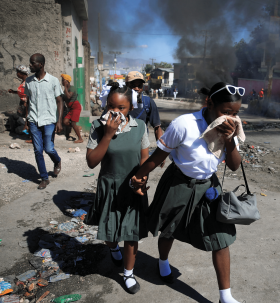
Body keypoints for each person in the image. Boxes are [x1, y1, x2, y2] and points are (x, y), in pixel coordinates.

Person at [131, 82, 245, 303]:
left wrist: (230, 140)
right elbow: (159, 156)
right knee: (169, 229)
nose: (230, 118)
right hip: (178, 183)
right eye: (225, 112)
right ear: (209, 103)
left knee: (221, 238)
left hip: (208, 188)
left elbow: (234, 165)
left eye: (235, 113)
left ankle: (226, 297)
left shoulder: (229, 130)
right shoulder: (185, 124)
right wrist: (138, 176)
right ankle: (162, 261)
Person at [84, 82, 150, 294]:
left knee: (131, 234)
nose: (115, 112)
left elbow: (145, 159)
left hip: (132, 187)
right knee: (111, 230)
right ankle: (112, 247)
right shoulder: (97, 126)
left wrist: (142, 180)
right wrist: (107, 135)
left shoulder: (140, 126)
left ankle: (128, 274)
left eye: (121, 108)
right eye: (111, 106)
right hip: (109, 185)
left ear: (130, 107)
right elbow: (92, 162)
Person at [24, 53, 63, 190]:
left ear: (41, 64)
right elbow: (28, 101)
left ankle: (57, 161)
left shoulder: (53, 81)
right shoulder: (28, 82)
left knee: (49, 148)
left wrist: (59, 121)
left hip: (49, 120)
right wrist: (27, 119)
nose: (30, 65)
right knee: (38, 150)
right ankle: (44, 178)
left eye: (32, 63)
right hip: (34, 120)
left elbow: (59, 101)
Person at [126, 71, 165, 168]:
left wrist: (161, 153)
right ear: (126, 85)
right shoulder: (118, 102)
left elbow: (157, 128)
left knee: (140, 176)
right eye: (133, 85)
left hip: (141, 149)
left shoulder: (148, 103)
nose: (136, 89)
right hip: (122, 148)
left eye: (139, 86)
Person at [8, 65, 32, 142]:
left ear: (22, 73)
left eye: (17, 72)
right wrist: (13, 92)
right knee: (17, 117)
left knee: (27, 119)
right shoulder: (23, 81)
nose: (16, 74)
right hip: (22, 104)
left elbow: (29, 94)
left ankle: (30, 134)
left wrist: (26, 102)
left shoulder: (28, 82)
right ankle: (23, 130)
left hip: (26, 104)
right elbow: (22, 92)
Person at [61, 74, 83, 143]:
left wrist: (65, 87)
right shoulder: (66, 89)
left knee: (73, 123)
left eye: (63, 80)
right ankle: (77, 127)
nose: (62, 82)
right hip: (71, 109)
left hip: (76, 107)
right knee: (65, 122)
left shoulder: (71, 88)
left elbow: (68, 97)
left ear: (67, 81)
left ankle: (80, 139)